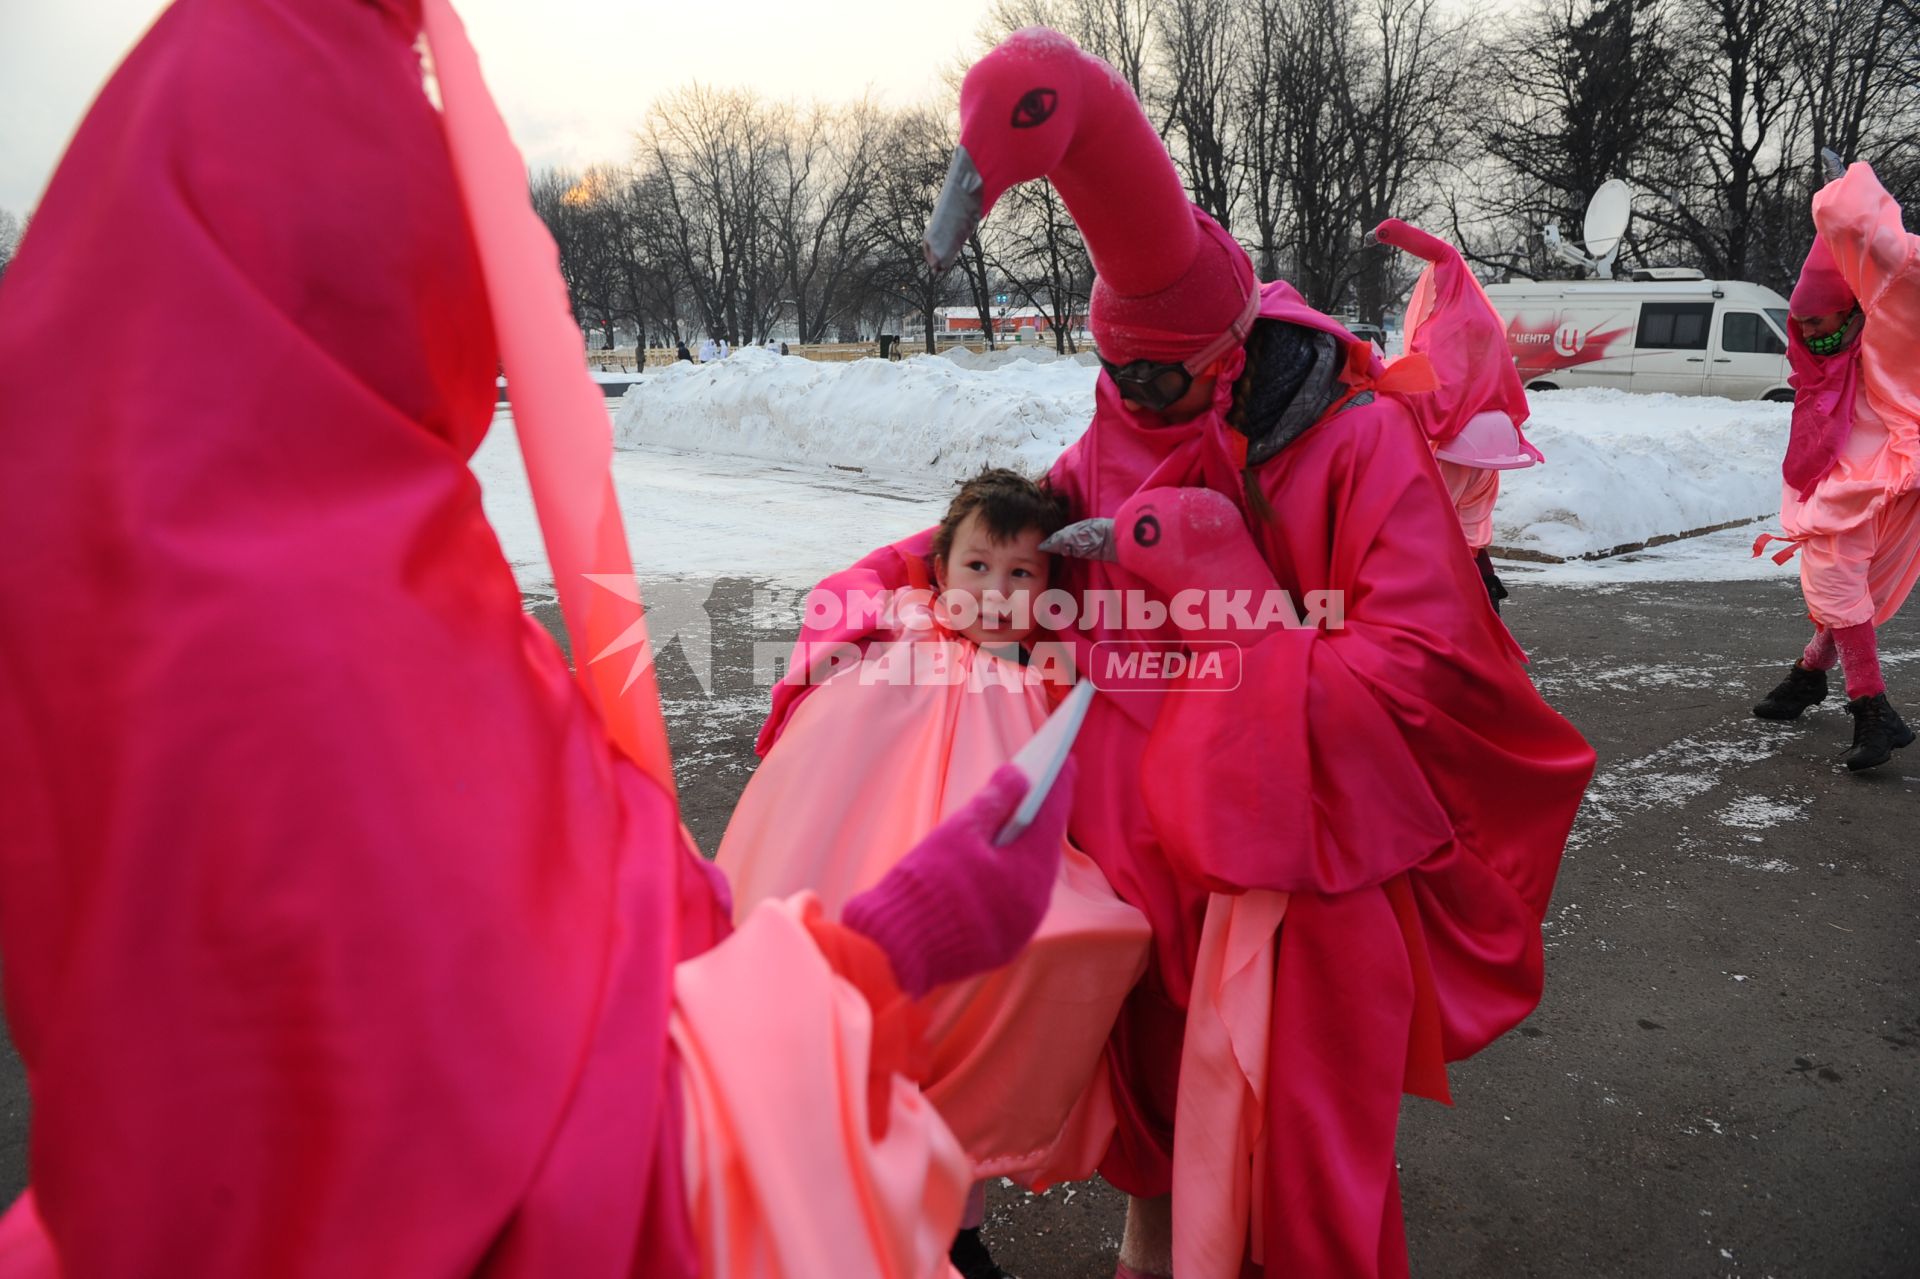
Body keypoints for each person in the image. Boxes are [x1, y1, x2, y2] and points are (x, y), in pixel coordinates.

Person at [0, 2, 1074, 1275]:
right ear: (378, 238)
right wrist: (897, 944)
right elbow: (575, 1171)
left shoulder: (143, 597)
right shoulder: (330, 666)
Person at [780, 28, 1594, 1279]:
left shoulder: (1357, 445)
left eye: (1157, 384)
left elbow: (1421, 667)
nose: (1130, 409)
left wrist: (1233, 619)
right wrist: (873, 591)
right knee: (1159, 1131)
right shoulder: (1120, 428)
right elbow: (1012, 543)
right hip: (1139, 877)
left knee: (1288, 1162)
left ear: (1229, 354)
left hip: (1292, 895)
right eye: (1113, 379)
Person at [725, 467, 1151, 1279]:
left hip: (984, 906)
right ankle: (868, 1221)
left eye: (1021, 574)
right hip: (876, 886)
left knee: (976, 1043)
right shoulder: (902, 635)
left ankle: (950, 1230)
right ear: (941, 571)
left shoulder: (1044, 678)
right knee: (869, 1055)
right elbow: (826, 766)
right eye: (976, 568)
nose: (996, 592)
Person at [1752, 157, 1920, 771]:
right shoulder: (1820, 365)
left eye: (1820, 321)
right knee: (1844, 588)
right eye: (1801, 325)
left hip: (1882, 480)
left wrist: (1836, 202)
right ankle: (1812, 676)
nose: (1810, 334)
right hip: (1843, 485)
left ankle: (1870, 707)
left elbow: (1892, 266)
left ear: (1851, 313)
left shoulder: (1882, 340)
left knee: (1840, 584)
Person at [1377, 219, 1547, 614]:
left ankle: (1442, 609)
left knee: (1433, 524)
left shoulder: (1446, 326)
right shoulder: (1485, 322)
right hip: (1494, 440)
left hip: (1458, 443)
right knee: (1471, 528)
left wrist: (1389, 384)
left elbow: (1438, 392)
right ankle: (1484, 600)